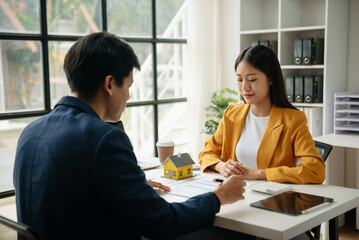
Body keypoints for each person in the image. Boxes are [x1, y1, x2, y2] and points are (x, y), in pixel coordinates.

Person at [13, 32, 246, 240]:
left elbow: (66, 191)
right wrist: (218, 197)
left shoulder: (31, 131)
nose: (129, 96)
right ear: (110, 84)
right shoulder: (104, 139)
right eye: (129, 85)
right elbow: (162, 223)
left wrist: (128, 186)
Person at [198, 45, 325, 184]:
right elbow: (206, 153)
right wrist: (221, 166)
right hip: (233, 192)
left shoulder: (293, 120)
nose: (245, 87)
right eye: (240, 80)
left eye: (252, 80)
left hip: (272, 198)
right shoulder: (232, 114)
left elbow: (315, 170)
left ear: (270, 79)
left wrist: (257, 174)